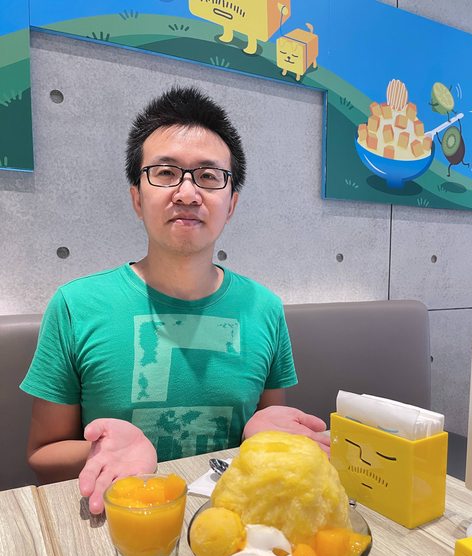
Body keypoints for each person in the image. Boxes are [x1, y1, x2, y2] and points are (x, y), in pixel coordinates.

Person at [21, 86, 329, 514]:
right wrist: (103, 454)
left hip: (232, 523)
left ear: (231, 203)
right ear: (136, 197)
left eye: (209, 176)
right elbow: (42, 455)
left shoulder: (265, 309)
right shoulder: (76, 305)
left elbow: (265, 434)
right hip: (120, 521)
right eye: (165, 173)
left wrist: (262, 435)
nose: (187, 193)